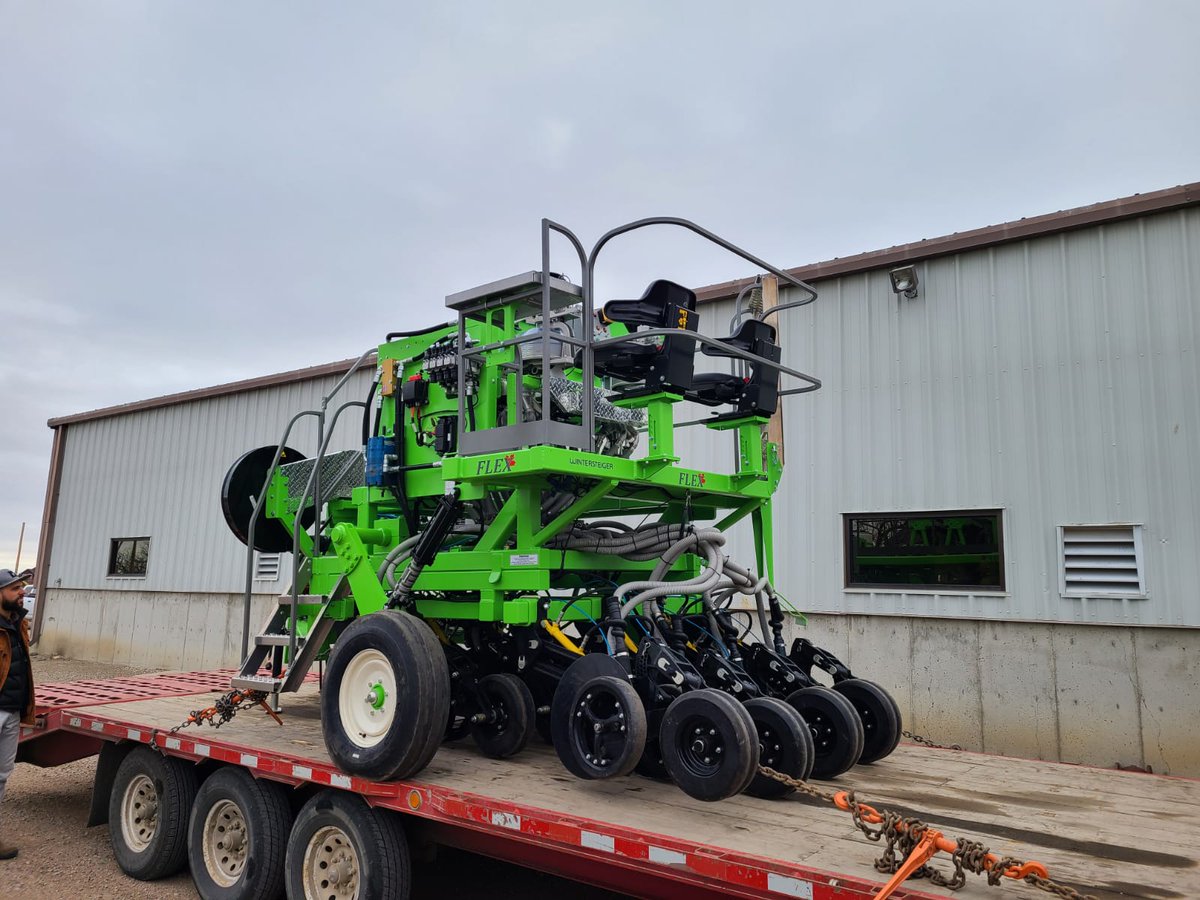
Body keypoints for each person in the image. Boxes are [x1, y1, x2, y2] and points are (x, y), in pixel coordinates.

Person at [0, 569, 34, 860]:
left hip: (11, 712)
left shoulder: (17, 623)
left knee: (1, 776)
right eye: (14, 589)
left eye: (21, 587)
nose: (22, 592)